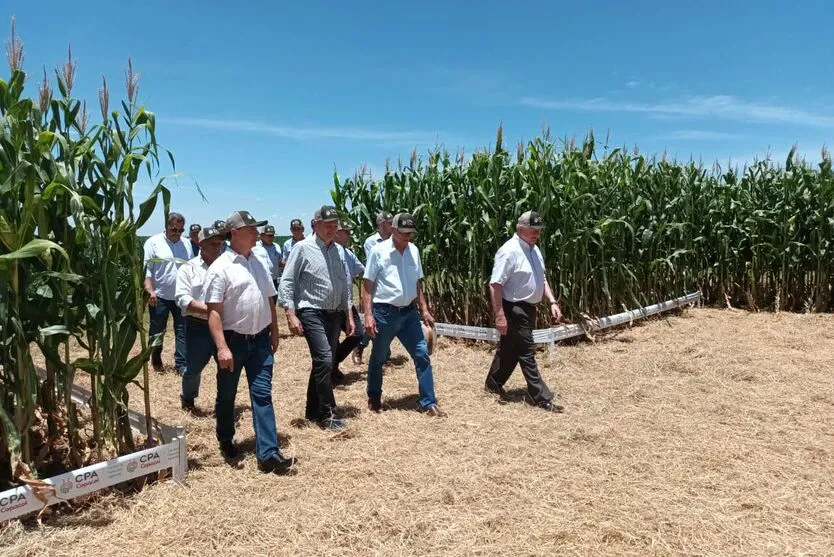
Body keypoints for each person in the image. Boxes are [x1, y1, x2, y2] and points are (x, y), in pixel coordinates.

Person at [203, 210, 294, 474]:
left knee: (262, 394)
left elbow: (269, 298)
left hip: (261, 342)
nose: (256, 232)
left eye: (256, 228)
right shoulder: (221, 268)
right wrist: (222, 347)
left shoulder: (258, 262)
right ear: (235, 233)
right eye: (251, 229)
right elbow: (213, 312)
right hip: (233, 342)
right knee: (227, 395)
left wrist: (274, 331)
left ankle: (268, 453)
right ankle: (225, 437)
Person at [279, 205, 354, 431]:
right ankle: (327, 413)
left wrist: (348, 316)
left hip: (333, 314)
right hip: (311, 311)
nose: (332, 230)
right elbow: (288, 281)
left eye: (335, 226)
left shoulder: (339, 251)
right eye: (328, 225)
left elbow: (345, 285)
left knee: (324, 362)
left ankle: (311, 410)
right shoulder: (302, 248)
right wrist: (290, 314)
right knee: (324, 360)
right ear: (316, 224)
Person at [362, 213, 445, 417]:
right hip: (384, 313)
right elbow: (367, 286)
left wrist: (424, 309)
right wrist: (368, 316)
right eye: (404, 232)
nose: (408, 236)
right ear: (394, 230)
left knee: (421, 354)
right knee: (379, 357)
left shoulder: (414, 251)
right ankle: (374, 397)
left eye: (411, 233)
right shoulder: (378, 251)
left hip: (409, 314)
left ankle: (428, 402)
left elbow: (418, 283)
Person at [484, 211, 564, 413]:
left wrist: (552, 301)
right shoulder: (508, 251)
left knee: (510, 350)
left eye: (538, 230)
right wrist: (500, 315)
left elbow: (542, 279)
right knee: (527, 352)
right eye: (533, 230)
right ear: (520, 229)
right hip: (514, 308)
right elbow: (495, 285)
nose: (537, 233)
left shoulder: (534, 250)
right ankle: (541, 397)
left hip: (529, 308)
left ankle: (493, 384)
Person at [175, 224, 225, 411]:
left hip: (223, 325)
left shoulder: (227, 265)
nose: (217, 247)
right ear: (201, 243)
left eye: (220, 243)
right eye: (213, 244)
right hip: (198, 326)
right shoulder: (188, 269)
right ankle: (188, 397)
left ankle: (224, 402)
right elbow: (183, 299)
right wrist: (211, 310)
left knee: (225, 366)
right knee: (194, 368)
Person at [143, 212, 193, 374]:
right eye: (174, 230)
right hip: (160, 296)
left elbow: (191, 268)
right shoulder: (153, 243)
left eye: (181, 230)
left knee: (182, 331)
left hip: (182, 296)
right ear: (166, 227)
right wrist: (150, 291)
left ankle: (181, 364)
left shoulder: (186, 244)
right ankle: (156, 359)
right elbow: (147, 270)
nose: (177, 233)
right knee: (157, 330)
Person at [356, 211, 394, 364]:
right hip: (375, 287)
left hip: (389, 286)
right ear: (381, 224)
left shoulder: (394, 240)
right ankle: (361, 346)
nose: (392, 225)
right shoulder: (371, 242)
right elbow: (378, 265)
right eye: (390, 222)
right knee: (374, 319)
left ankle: (383, 354)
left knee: (386, 320)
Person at [332, 221, 365, 385]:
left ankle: (332, 362)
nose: (349, 235)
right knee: (333, 339)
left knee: (358, 333)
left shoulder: (349, 254)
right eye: (346, 232)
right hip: (332, 305)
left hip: (348, 303)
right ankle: (332, 370)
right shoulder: (328, 252)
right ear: (337, 233)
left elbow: (362, 270)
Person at [252, 225, 281, 301]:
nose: (271, 238)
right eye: (268, 235)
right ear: (261, 235)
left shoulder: (276, 246)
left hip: (274, 279)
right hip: (261, 280)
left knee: (273, 301)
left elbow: (279, 262)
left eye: (272, 235)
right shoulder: (255, 246)